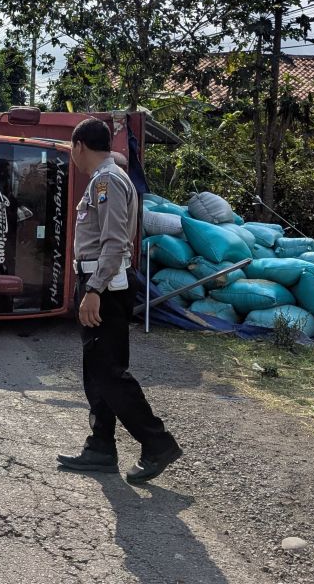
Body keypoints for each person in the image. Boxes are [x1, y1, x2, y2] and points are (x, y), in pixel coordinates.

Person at [57, 118, 182, 484]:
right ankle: (100, 447)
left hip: (106, 287)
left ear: (80, 145)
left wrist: (93, 290)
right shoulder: (105, 180)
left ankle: (157, 443)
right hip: (102, 283)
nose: (72, 155)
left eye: (71, 147)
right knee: (97, 371)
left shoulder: (107, 181)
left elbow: (114, 242)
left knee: (109, 373)